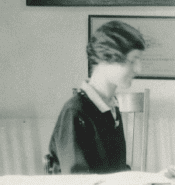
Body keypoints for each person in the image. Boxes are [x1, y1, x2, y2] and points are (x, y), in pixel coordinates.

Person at [47, 20, 146, 174]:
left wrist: (153, 179)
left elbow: (116, 171)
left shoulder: (110, 106)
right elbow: (77, 180)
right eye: (132, 60)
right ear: (106, 58)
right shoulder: (75, 111)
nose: (139, 69)